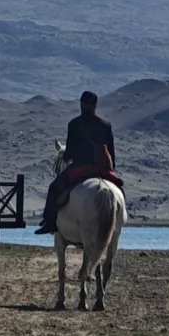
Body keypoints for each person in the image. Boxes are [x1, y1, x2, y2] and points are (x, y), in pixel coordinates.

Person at [38, 90, 118, 235]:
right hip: (102, 169)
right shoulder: (105, 125)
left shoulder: (74, 124)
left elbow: (69, 153)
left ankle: (49, 223)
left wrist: (66, 158)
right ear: (95, 105)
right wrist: (110, 169)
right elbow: (111, 152)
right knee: (119, 188)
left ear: (81, 104)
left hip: (81, 168)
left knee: (53, 188)